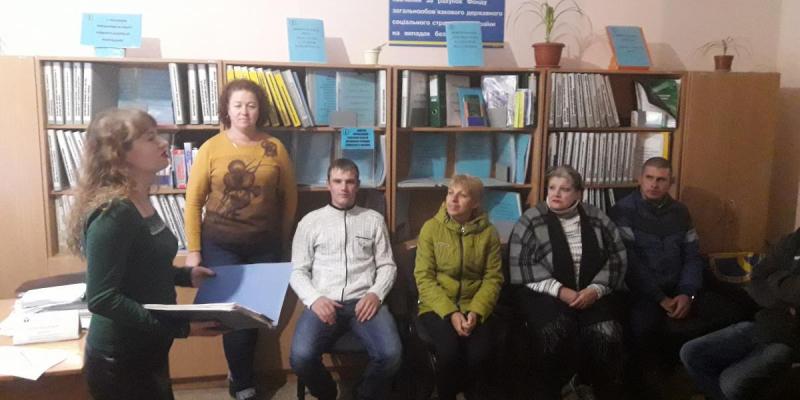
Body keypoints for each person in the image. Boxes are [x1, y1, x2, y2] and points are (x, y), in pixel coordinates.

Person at [67, 108, 223, 400]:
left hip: (148, 348)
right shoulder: (113, 213)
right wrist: (180, 327)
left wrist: (186, 276)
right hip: (120, 360)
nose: (163, 143)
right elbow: (102, 298)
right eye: (150, 138)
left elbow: (144, 266)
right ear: (119, 153)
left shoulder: (140, 199)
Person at [184, 79, 297, 399]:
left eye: (251, 105)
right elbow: (193, 202)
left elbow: (289, 198)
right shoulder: (211, 148)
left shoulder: (275, 147)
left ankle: (241, 371)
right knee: (234, 318)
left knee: (257, 315)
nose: (244, 111)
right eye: (238, 105)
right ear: (227, 110)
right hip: (221, 246)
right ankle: (242, 382)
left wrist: (283, 240)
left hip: (265, 245)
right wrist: (194, 250)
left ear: (260, 110)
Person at [608, 157, 744, 398]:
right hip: (642, 292)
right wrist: (660, 298)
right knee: (641, 330)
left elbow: (692, 256)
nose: (654, 184)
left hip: (680, 287)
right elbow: (630, 264)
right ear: (640, 179)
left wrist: (687, 293)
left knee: (731, 313)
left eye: (661, 180)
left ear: (670, 182)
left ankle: (711, 380)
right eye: (649, 178)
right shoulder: (623, 210)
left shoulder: (681, 212)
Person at [508, 165, 627, 400]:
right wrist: (560, 290)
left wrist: (595, 290)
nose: (556, 194)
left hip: (592, 293)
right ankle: (552, 391)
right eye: (552, 188)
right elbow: (523, 264)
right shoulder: (531, 220)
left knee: (607, 332)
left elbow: (617, 257)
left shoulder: (596, 218)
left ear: (578, 193)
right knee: (557, 331)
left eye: (564, 189)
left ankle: (593, 388)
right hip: (544, 294)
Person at [289, 158, 402, 400]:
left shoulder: (373, 219)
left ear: (357, 185)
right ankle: (328, 393)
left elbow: (387, 265)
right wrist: (315, 299)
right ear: (328, 184)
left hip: (364, 303)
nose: (344, 187)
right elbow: (297, 271)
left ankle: (363, 394)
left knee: (391, 355)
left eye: (350, 182)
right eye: (338, 181)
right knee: (300, 357)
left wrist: (376, 294)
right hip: (324, 303)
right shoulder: (310, 222)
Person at [680, 228, 800, 400]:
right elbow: (757, 280)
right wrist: (784, 299)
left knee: (730, 384)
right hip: (764, 324)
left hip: (791, 340)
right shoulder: (793, 240)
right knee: (691, 353)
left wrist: (776, 279)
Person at [414, 175, 504, 400]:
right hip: (437, 306)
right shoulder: (431, 229)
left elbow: (493, 278)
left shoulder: (489, 233)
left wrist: (476, 311)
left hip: (474, 305)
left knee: (480, 355)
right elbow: (424, 278)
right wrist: (451, 313)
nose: (453, 200)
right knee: (449, 353)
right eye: (450, 193)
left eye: (462, 195)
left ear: (475, 203)